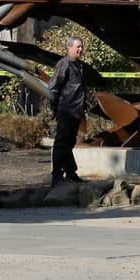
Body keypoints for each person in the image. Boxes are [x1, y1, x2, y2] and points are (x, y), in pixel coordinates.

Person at [47, 36, 89, 186]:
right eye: (77, 47)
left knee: (69, 143)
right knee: (61, 143)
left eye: (81, 46)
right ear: (69, 48)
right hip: (66, 110)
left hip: (76, 110)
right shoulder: (64, 64)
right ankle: (56, 175)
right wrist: (53, 109)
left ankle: (70, 172)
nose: (80, 49)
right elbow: (53, 88)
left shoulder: (81, 66)